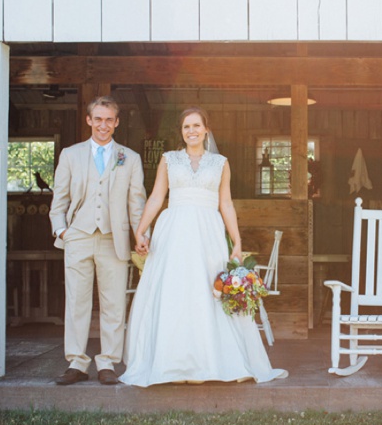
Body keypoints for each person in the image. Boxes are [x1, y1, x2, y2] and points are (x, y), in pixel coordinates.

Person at [120, 107, 288, 387]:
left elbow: (226, 203)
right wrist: (140, 230)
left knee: (207, 292)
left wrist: (236, 241)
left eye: (196, 125)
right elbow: (156, 197)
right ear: (181, 131)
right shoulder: (169, 160)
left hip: (208, 232)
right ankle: (172, 363)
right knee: (175, 291)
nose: (191, 131)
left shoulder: (220, 162)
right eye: (186, 127)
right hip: (173, 230)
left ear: (206, 129)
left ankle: (211, 360)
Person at [49, 96, 147, 385]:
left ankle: (108, 363)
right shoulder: (70, 154)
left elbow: (136, 203)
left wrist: (141, 236)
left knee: (113, 303)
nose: (103, 125)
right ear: (89, 120)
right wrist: (62, 230)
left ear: (116, 123)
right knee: (77, 302)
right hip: (78, 236)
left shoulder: (129, 158)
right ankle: (77, 363)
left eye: (109, 120)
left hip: (112, 239)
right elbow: (60, 199)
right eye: (98, 119)